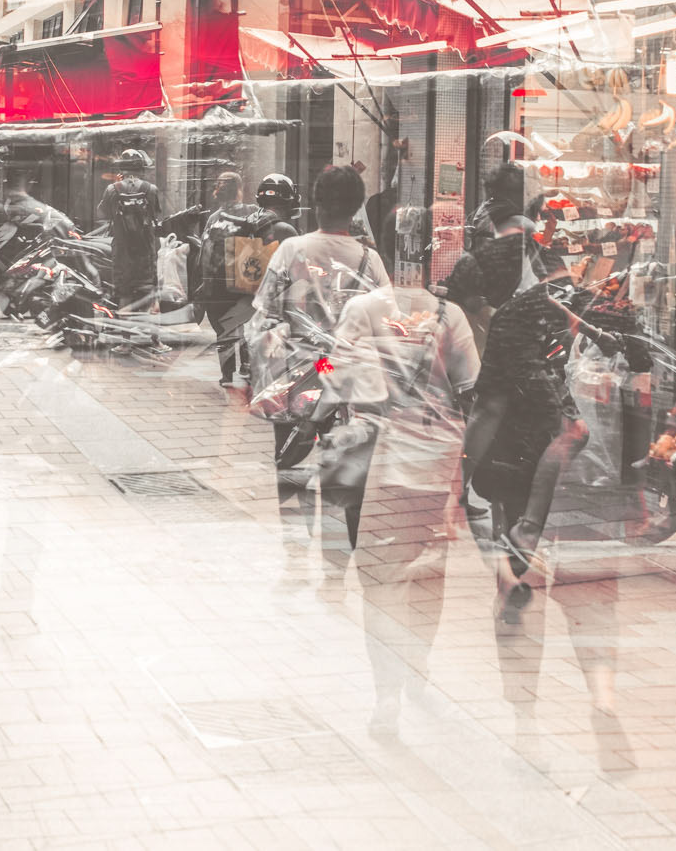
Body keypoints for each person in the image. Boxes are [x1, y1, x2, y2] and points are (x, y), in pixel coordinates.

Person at [328, 280, 479, 733]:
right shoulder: (450, 314)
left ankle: (387, 694)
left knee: (382, 585)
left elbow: (329, 372)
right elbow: (471, 389)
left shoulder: (361, 307)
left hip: (375, 461)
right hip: (434, 461)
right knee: (427, 575)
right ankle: (416, 666)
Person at [245, 164, 389, 584]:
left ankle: (295, 555)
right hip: (351, 382)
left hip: (299, 378)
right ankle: (337, 568)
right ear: (357, 208)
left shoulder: (292, 250)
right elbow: (387, 325)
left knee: (291, 462)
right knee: (348, 474)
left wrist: (263, 369)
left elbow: (264, 314)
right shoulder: (371, 260)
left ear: (317, 203)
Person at [464, 220, 587, 614]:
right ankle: (512, 577)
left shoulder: (519, 305)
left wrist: (460, 475)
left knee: (507, 505)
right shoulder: (516, 310)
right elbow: (489, 403)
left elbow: (488, 406)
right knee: (510, 504)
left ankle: (511, 580)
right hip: (521, 429)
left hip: (515, 428)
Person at [195, 171, 299, 385]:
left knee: (231, 333)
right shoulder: (284, 229)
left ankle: (229, 375)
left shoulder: (237, 220)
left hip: (235, 293)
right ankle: (252, 371)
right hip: (269, 302)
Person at [97, 149, 162, 310]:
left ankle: (124, 325)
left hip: (122, 253)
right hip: (145, 253)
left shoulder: (112, 189)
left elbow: (101, 214)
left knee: (124, 295)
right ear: (141, 168)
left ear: (122, 168)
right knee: (147, 294)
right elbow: (156, 215)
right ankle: (147, 325)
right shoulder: (151, 189)